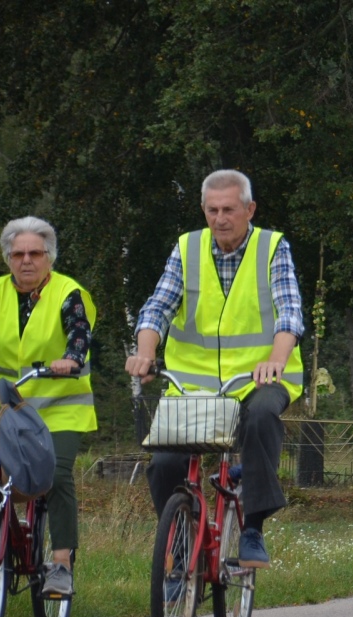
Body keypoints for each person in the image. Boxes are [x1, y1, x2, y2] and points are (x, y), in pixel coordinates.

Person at [126, 169, 305, 569]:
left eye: (229, 209)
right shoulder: (186, 249)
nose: (220, 218)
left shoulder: (272, 248)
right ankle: (179, 546)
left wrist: (275, 361)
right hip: (192, 386)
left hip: (257, 380)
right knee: (165, 465)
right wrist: (144, 353)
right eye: (211, 210)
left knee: (261, 417)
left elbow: (289, 313)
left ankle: (253, 528)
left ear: (249, 209)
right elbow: (157, 307)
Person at [0, 217, 96, 597]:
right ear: (8, 258)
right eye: (17, 254)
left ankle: (61, 562)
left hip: (58, 407)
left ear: (49, 257)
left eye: (34, 253)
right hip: (0, 403)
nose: (26, 261)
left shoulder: (69, 293)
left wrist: (71, 357)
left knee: (56, 475)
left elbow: (79, 330)